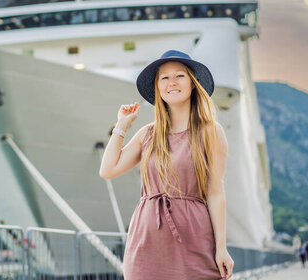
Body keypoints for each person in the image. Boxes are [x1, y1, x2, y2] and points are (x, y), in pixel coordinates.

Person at [99, 50, 234, 280]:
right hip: (146, 243)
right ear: (158, 88)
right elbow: (108, 170)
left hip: (194, 240)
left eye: (179, 76)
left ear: (193, 84)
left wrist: (222, 248)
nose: (172, 82)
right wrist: (121, 126)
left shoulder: (210, 132)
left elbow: (215, 192)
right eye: (164, 78)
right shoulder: (147, 134)